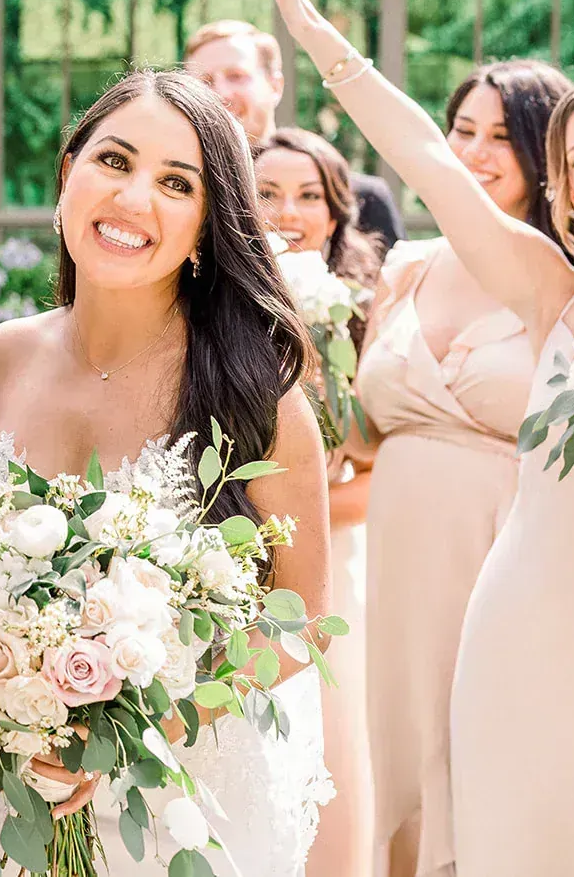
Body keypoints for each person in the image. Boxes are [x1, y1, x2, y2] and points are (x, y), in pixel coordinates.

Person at [233, 0, 574, 877]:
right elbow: (421, 155)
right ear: (568, 194)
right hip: (525, 630)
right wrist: (311, 29)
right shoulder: (551, 291)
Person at [0, 69, 334, 876]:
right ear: (68, 176)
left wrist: (127, 735)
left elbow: (300, 625)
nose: (134, 198)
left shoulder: (254, 396)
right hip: (11, 795)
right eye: (114, 161)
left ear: (207, 226)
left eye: (176, 183)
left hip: (184, 803)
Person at [352, 59, 571, 877]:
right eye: (463, 132)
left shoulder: (565, 277)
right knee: (400, 746)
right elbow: (364, 434)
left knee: (481, 744)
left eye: (502, 137)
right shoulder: (406, 266)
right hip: (395, 559)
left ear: (543, 156)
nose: (477, 153)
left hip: (503, 547)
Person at [254, 126, 381, 877]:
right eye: (267, 192)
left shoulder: (360, 311)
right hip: (230, 551)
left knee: (335, 733)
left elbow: (373, 448)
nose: (288, 211)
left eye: (309, 196)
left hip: (332, 549)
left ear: (335, 214)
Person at [186, 19, 405, 252]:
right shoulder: (183, 196)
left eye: (236, 76)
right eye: (204, 82)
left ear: (275, 86)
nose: (220, 93)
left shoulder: (363, 198)